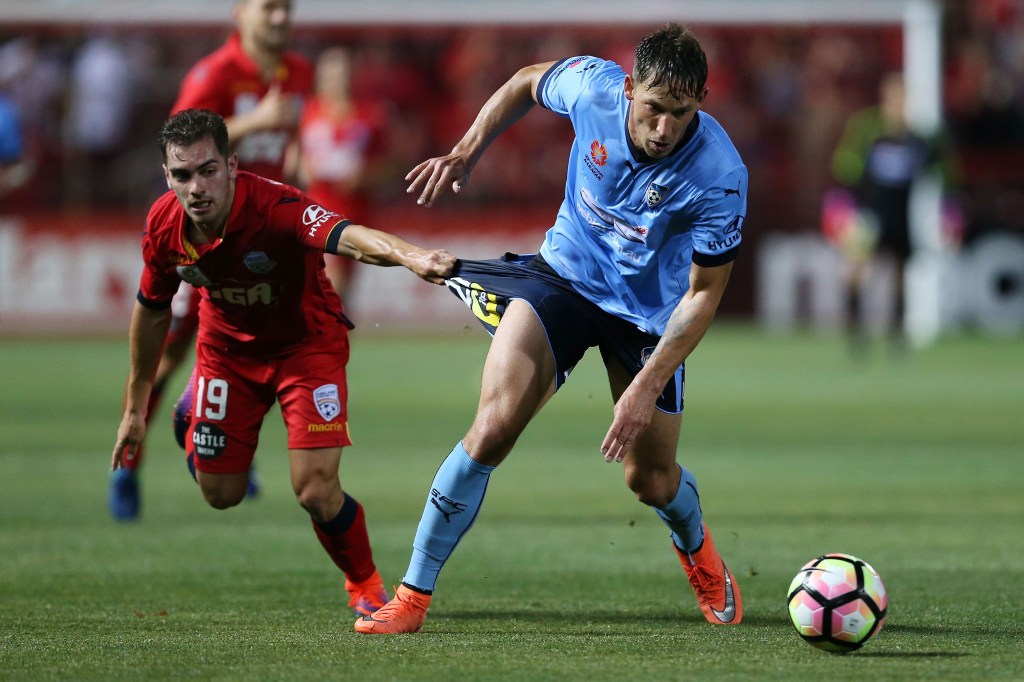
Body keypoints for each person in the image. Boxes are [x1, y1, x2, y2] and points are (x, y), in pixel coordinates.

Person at [355, 23, 746, 634]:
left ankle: (697, 547)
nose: (665, 129)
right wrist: (467, 150)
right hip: (562, 277)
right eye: (652, 109)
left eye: (681, 113)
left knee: (648, 479)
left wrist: (645, 387)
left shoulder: (720, 173)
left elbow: (701, 295)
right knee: (491, 429)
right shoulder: (592, 88)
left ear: (700, 102)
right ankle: (411, 595)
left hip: (646, 318)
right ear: (627, 90)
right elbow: (523, 82)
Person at [111, 108, 455, 615]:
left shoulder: (276, 206)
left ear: (231, 165)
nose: (196, 187)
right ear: (167, 177)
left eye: (208, 170)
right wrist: (135, 408)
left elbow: (350, 236)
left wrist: (410, 255)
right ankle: (194, 411)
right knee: (221, 495)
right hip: (226, 354)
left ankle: (364, 584)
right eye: (182, 175)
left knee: (315, 488)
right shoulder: (164, 226)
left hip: (306, 348)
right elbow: (152, 311)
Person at [109, 0, 314, 519]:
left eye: (286, 9)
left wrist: (297, 169)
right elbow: (182, 145)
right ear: (240, 13)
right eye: (268, 8)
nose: (279, 19)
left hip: (262, 238)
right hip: (204, 241)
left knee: (273, 347)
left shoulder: (301, 72)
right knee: (171, 354)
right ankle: (130, 463)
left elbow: (290, 142)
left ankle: (223, 439)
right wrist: (257, 121)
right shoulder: (215, 74)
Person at [828, 72, 949, 354]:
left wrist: (948, 211)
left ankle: (896, 335)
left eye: (902, 98)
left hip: (900, 215)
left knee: (899, 275)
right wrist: (841, 205)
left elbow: (941, 171)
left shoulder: (917, 140)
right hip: (869, 214)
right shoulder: (869, 134)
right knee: (858, 270)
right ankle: (855, 332)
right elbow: (844, 168)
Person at [298, 46, 389, 299]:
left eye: (344, 74)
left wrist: (365, 176)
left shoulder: (371, 116)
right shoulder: (307, 112)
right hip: (317, 205)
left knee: (340, 289)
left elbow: (391, 163)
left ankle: (333, 335)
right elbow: (292, 158)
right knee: (329, 282)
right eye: (332, 75)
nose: (339, 81)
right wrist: (303, 167)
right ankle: (325, 335)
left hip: (355, 209)